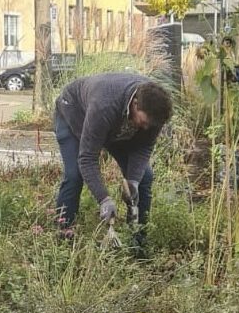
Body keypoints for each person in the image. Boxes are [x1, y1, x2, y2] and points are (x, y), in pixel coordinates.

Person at [54, 72, 173, 248]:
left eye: (151, 126)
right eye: (144, 122)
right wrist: (104, 199)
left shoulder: (155, 110)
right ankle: (64, 234)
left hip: (115, 128)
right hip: (74, 112)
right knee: (75, 175)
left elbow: (143, 147)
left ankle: (137, 238)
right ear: (135, 104)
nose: (146, 128)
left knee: (144, 178)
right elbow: (87, 158)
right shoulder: (104, 105)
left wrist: (132, 182)